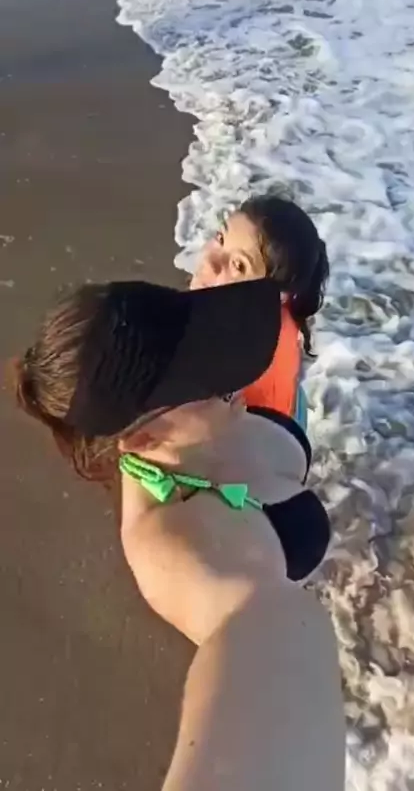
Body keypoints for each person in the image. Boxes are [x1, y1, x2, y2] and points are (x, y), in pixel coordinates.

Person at [13, 277, 345, 789]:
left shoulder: (205, 425)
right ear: (144, 437)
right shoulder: (182, 547)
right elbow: (268, 641)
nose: (236, 377)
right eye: (207, 381)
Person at [190, 195, 329, 428]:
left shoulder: (226, 355)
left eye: (238, 265)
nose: (211, 260)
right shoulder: (277, 309)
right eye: (221, 238)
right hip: (291, 407)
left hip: (264, 435)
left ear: (277, 295)